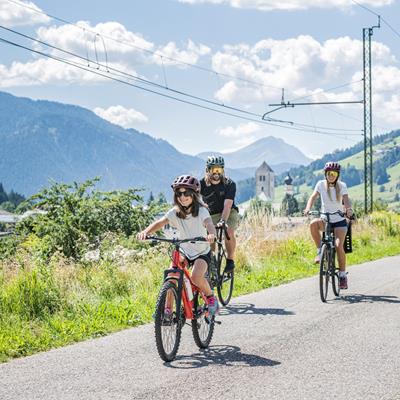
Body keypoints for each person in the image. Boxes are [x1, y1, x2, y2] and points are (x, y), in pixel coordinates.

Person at [137, 175, 219, 315]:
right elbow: (160, 223)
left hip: (201, 252)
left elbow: (209, 224)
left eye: (186, 193)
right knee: (172, 276)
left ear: (194, 194)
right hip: (184, 250)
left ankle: (211, 298)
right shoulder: (175, 212)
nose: (182, 197)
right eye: (179, 193)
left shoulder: (201, 210)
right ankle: (167, 310)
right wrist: (145, 232)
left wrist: (211, 234)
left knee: (195, 277)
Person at [304, 162, 353, 289]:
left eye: (334, 174)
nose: (331, 176)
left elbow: (346, 201)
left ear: (337, 175)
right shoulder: (320, 185)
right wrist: (308, 208)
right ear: (325, 174)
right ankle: (320, 251)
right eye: (329, 173)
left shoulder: (342, 186)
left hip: (339, 221)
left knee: (338, 245)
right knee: (313, 224)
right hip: (325, 219)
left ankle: (342, 276)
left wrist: (348, 209)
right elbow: (313, 197)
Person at [200, 155, 239, 273]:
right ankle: (212, 262)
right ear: (207, 170)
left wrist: (223, 221)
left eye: (219, 170)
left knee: (229, 232)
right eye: (213, 170)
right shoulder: (201, 184)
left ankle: (230, 260)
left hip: (229, 212)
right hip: (211, 214)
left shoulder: (229, 184)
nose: (216, 173)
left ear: (223, 170)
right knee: (210, 238)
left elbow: (227, 206)